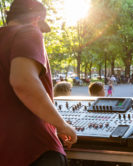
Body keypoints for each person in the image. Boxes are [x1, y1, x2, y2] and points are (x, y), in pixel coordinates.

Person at [0, 0, 77, 165]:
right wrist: (62, 125)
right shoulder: (29, 31)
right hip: (35, 150)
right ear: (36, 18)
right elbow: (23, 81)